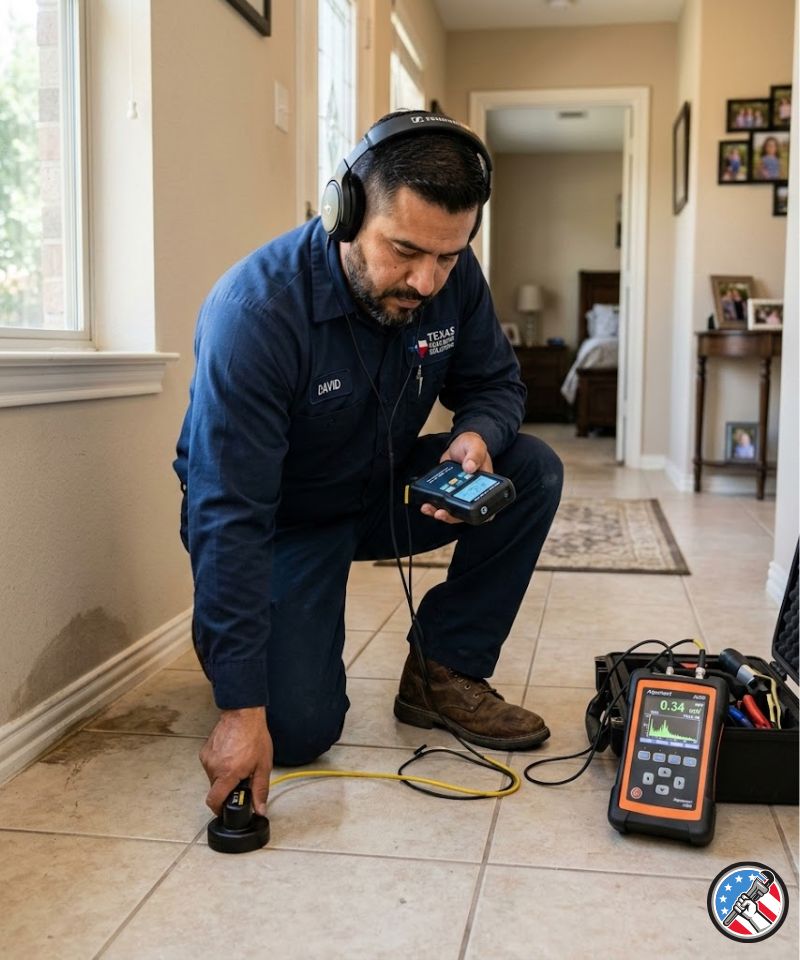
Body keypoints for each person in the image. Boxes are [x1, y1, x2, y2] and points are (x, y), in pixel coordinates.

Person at [174, 110, 563, 818]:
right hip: (279, 519)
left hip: (379, 486)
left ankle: (443, 672)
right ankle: (240, 652)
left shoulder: (451, 274)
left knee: (530, 468)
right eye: (404, 251)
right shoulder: (255, 314)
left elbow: (497, 385)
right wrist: (239, 706)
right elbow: (227, 514)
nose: (425, 281)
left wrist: (476, 433)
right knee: (295, 731)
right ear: (344, 211)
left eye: (447, 257)